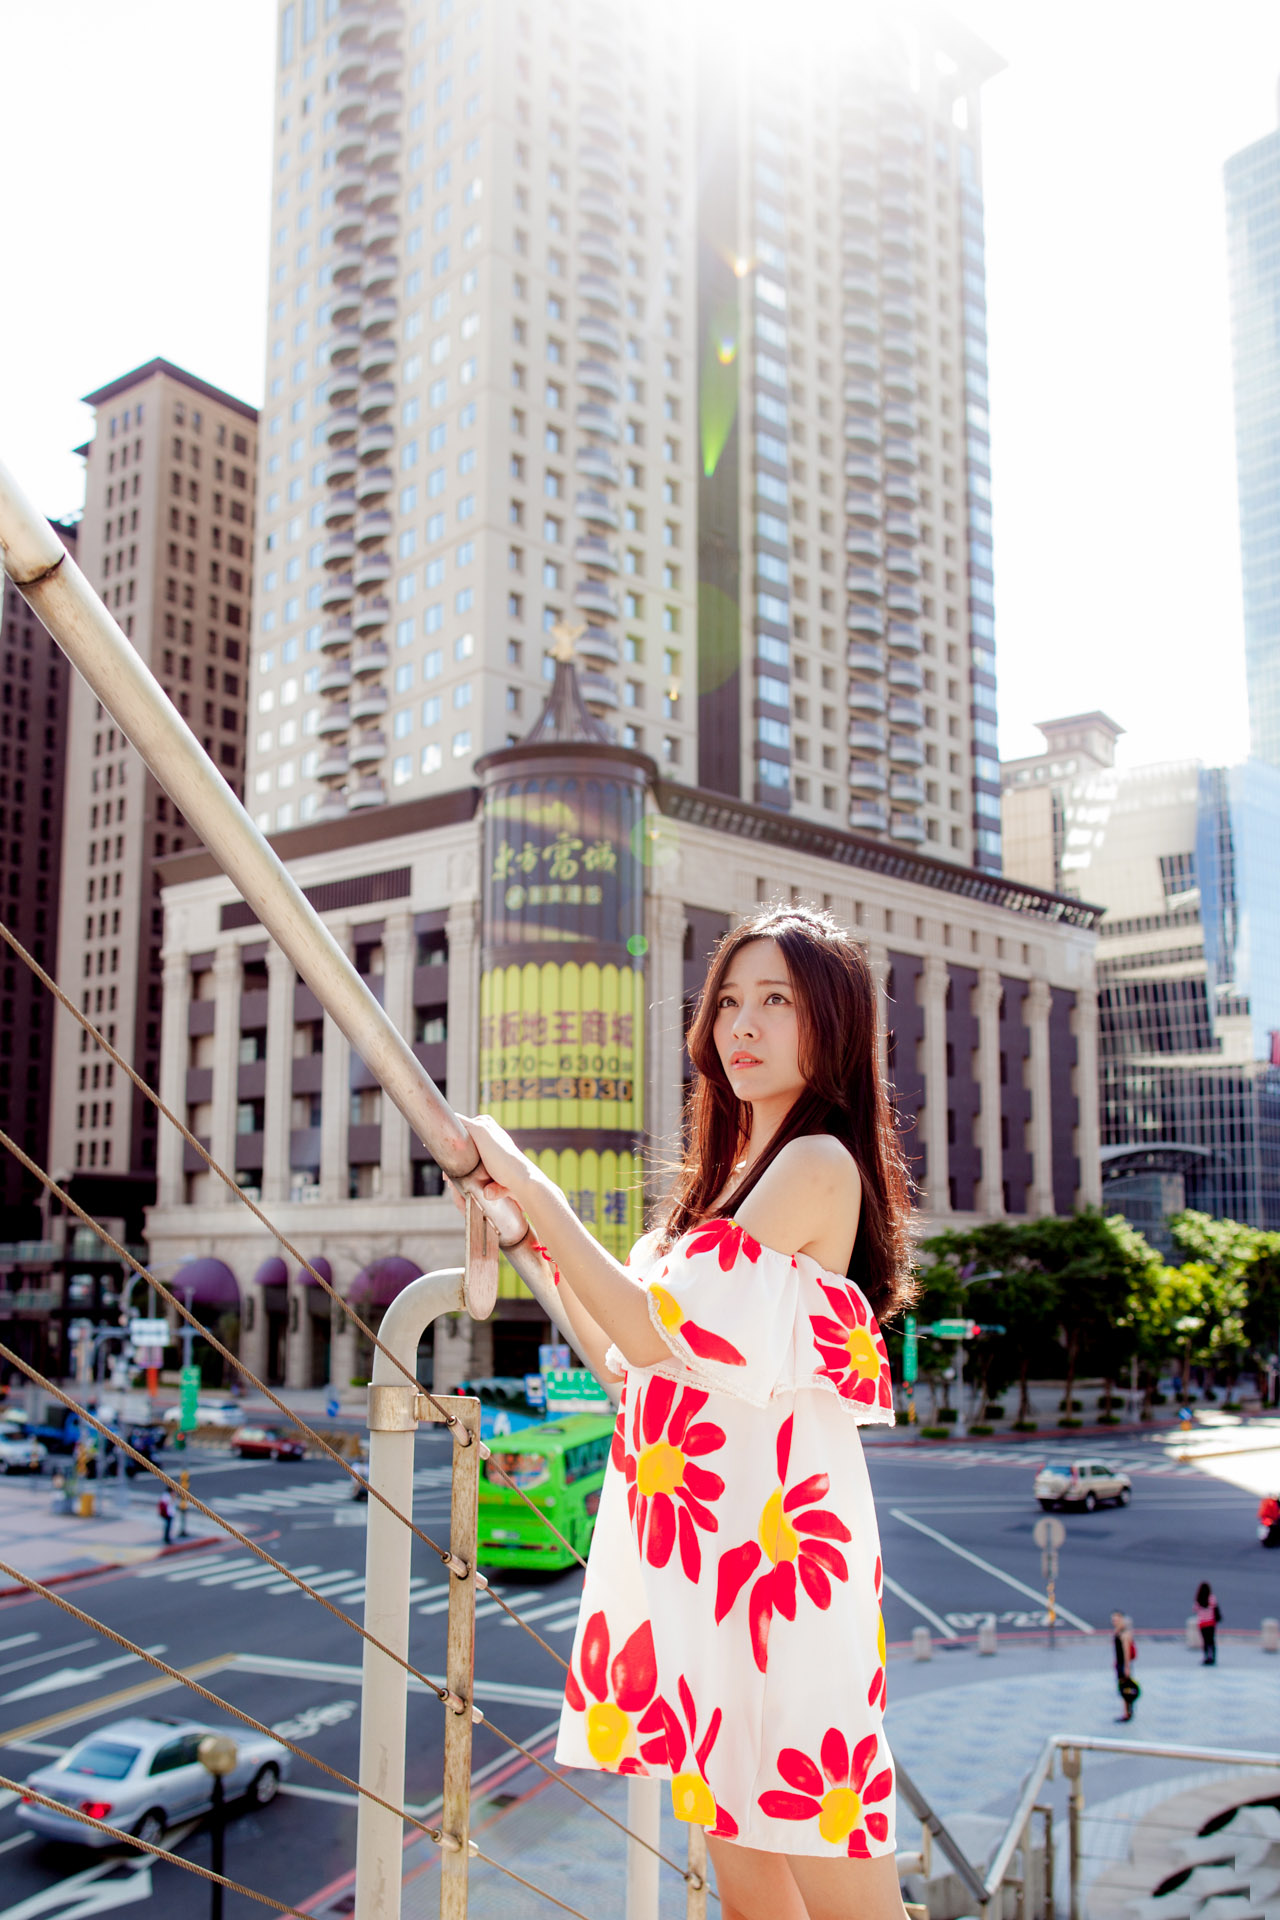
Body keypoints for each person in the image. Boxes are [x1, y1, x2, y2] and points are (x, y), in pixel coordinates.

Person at [457, 906, 916, 1920]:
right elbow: (629, 1351)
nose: (739, 1025)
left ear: (828, 1023)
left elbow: (653, 1328)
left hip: (779, 1576)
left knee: (842, 1887)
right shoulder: (720, 1190)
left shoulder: (817, 1163)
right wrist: (518, 1226)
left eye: (775, 1002)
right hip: (711, 1573)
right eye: (726, 1003)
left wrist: (533, 1184)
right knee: (748, 1888)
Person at [1112, 1611, 1139, 1721]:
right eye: (1113, 1620)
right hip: (1119, 1664)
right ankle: (1127, 1711)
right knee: (1124, 1688)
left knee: (1125, 1688)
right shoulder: (1118, 1632)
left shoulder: (1124, 1634)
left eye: (1116, 1619)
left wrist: (1127, 1667)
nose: (1114, 1622)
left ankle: (1127, 1713)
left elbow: (1126, 1652)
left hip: (1123, 1665)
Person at [1194, 1580, 1220, 1663]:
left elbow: (1195, 1609)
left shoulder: (1198, 1599)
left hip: (1202, 1623)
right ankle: (1212, 1657)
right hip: (1211, 1623)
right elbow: (1215, 1608)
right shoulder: (1211, 1598)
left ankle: (1206, 1657)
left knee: (1205, 1641)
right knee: (1211, 1641)